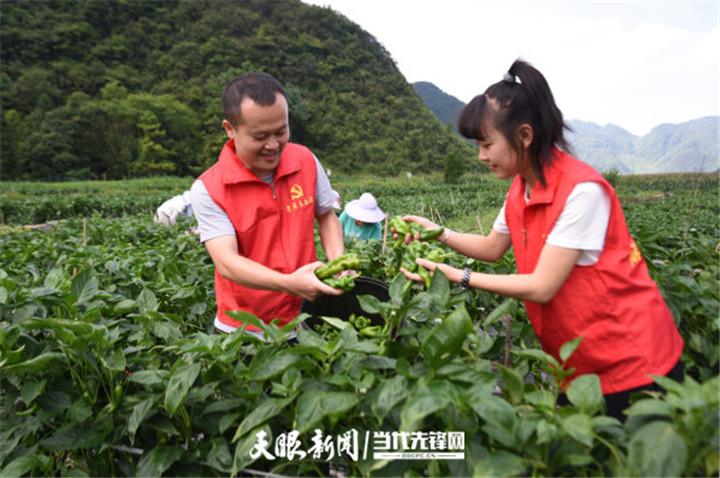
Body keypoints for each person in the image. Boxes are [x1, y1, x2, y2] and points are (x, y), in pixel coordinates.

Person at [397, 59, 684, 421]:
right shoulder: (522, 189)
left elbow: (543, 286)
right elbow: (491, 247)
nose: (481, 156)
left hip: (632, 361)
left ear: (525, 136)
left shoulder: (581, 191)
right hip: (578, 365)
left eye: (486, 144)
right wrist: (436, 232)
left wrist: (455, 276)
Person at [190, 72, 345, 337]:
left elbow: (327, 215)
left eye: (281, 131)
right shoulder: (209, 189)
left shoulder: (305, 160)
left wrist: (340, 262)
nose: (273, 145)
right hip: (243, 329)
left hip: (304, 320)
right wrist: (289, 284)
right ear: (230, 129)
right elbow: (227, 262)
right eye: (260, 136)